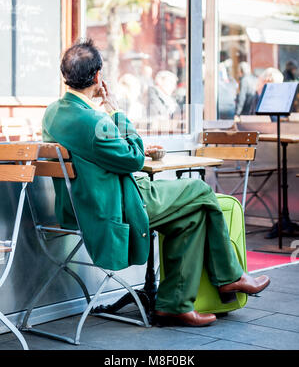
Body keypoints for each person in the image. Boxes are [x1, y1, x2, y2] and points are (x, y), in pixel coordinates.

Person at [42, 39, 270, 327]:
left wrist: (118, 139)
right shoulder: (92, 121)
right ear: (98, 76)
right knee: (200, 190)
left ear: (66, 75)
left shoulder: (53, 113)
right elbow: (134, 158)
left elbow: (109, 155)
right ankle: (228, 277)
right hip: (118, 205)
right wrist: (115, 110)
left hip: (88, 204)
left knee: (193, 214)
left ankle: (175, 305)